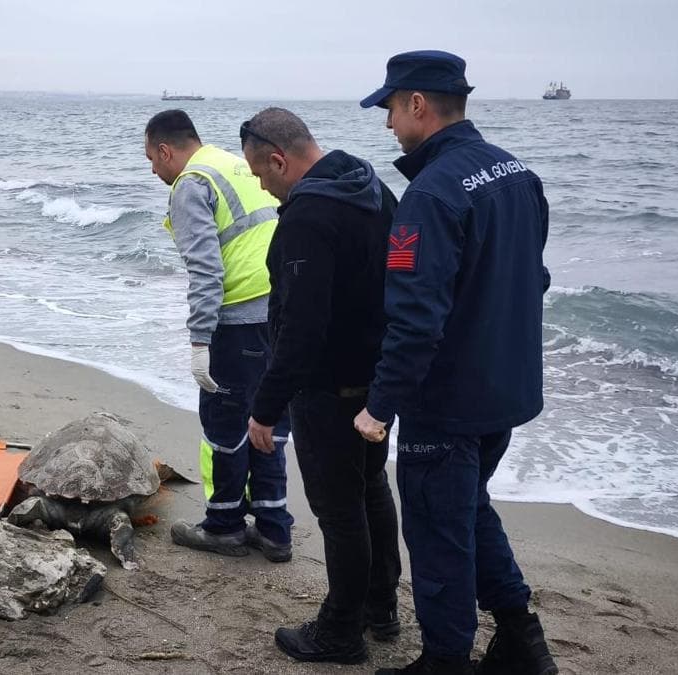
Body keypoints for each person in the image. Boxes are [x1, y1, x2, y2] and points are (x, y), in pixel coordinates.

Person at [352, 51, 559, 675]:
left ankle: (445, 660)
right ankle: (523, 641)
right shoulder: (517, 172)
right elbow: (535, 278)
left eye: (390, 107)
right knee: (466, 508)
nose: (387, 123)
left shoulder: (432, 193)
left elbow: (415, 317)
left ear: (418, 104)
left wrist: (379, 405)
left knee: (438, 528)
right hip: (507, 388)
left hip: (447, 400)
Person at [240, 107, 403, 664]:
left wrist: (265, 407)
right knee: (370, 490)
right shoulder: (369, 184)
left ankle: (340, 631)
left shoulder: (308, 217)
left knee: (339, 511)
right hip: (375, 380)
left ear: (279, 159)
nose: (263, 187)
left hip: (328, 388)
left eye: (261, 176)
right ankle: (381, 607)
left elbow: (300, 327)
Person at [143, 109, 294, 561]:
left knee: (224, 425)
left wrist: (199, 340)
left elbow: (206, 270)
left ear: (167, 150)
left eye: (152, 160)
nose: (154, 171)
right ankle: (274, 530)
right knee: (268, 422)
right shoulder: (233, 164)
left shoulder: (192, 183)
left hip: (238, 320)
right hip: (281, 312)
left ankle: (225, 525)